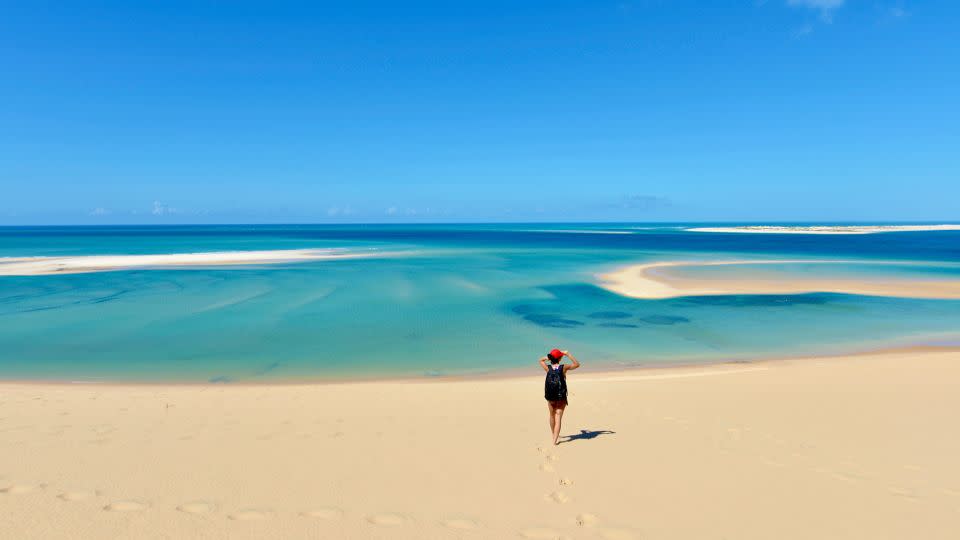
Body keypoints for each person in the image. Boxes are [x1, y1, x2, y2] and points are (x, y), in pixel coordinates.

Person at [539, 348, 580, 445]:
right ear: (560, 358)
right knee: (558, 418)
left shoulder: (548, 368)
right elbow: (577, 364)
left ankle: (553, 434)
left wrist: (549, 357)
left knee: (552, 415)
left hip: (550, 396)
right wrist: (568, 354)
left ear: (551, 358)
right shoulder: (564, 367)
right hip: (561, 397)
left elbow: (540, 360)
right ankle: (554, 441)